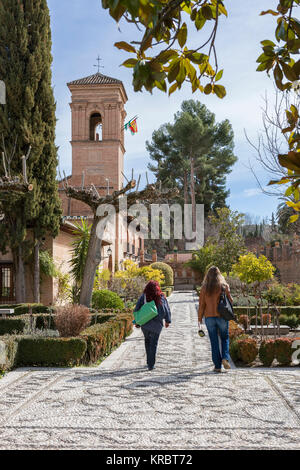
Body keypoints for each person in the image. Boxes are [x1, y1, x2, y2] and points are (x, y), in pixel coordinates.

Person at [198, 266, 233, 373]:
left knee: (213, 341)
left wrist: (199, 319)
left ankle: (217, 366)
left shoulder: (204, 288)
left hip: (209, 317)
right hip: (221, 316)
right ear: (219, 275)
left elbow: (202, 305)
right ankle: (225, 358)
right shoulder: (224, 286)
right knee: (225, 338)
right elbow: (231, 301)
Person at [134, 280, 171, 371]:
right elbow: (165, 309)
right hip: (157, 325)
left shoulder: (144, 297)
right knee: (153, 343)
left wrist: (138, 321)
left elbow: (136, 309)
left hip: (145, 324)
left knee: (147, 341)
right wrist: (167, 320)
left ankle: (148, 361)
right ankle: (151, 364)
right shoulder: (161, 297)